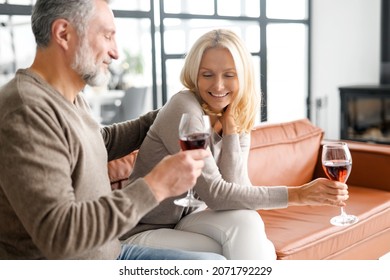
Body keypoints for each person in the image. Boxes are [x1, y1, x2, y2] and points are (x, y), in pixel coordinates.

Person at [0, 0, 225, 260]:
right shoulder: (26, 111)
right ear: (63, 34)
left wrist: (168, 114)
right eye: (107, 36)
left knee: (215, 264)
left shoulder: (68, 95)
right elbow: (60, 235)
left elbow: (97, 141)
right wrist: (155, 186)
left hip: (110, 251)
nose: (116, 53)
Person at [121, 29, 350, 259]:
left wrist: (231, 132)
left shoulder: (236, 114)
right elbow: (217, 195)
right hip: (143, 230)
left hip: (186, 221)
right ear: (195, 75)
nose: (218, 86)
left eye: (229, 75)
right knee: (246, 250)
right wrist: (299, 195)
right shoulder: (184, 108)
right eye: (207, 74)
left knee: (247, 223)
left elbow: (236, 193)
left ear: (243, 76)